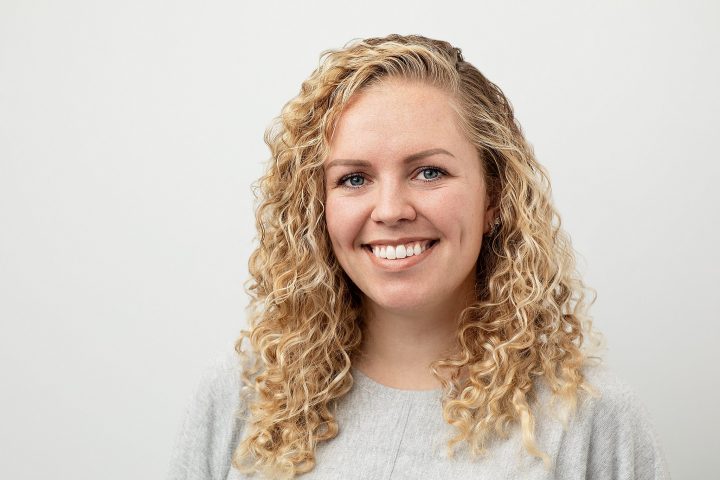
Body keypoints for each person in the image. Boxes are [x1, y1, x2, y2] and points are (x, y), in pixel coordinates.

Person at [166, 34, 670, 479]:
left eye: (428, 172)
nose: (389, 210)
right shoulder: (240, 399)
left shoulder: (589, 421)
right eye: (354, 179)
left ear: (494, 197)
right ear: (316, 209)